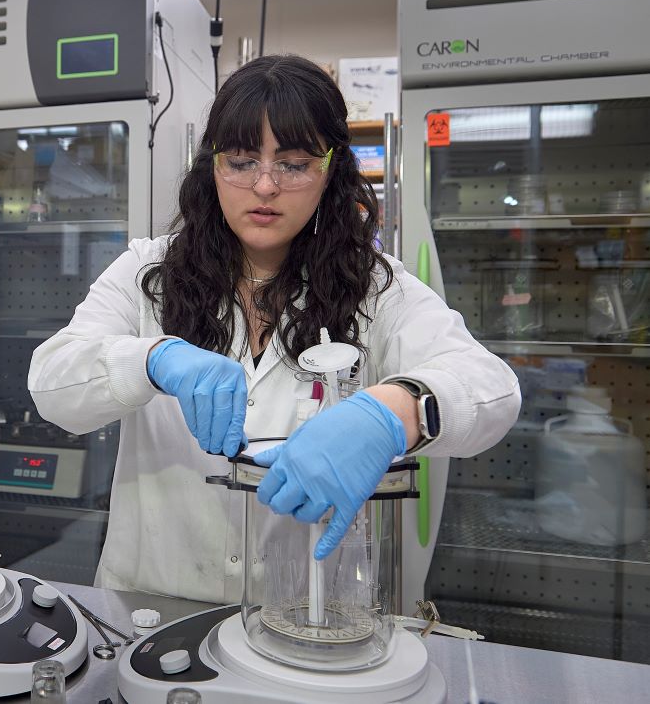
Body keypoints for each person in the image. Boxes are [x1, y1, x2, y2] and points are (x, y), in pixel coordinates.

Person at [28, 54, 521, 603]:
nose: (264, 185)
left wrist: (393, 412)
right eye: (241, 161)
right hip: (150, 606)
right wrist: (151, 359)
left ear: (330, 170)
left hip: (309, 620)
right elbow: (52, 384)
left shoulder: (376, 288)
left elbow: (491, 387)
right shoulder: (148, 272)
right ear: (212, 166)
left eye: (294, 163)